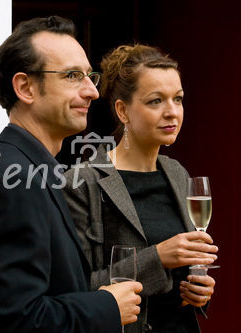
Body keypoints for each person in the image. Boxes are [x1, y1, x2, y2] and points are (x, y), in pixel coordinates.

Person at [0, 16, 143, 333]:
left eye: (91, 77)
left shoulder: (12, 165)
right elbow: (17, 321)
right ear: (25, 87)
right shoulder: (14, 179)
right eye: (73, 76)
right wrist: (107, 307)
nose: (92, 92)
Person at [63, 44, 218, 332]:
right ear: (122, 110)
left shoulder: (177, 174)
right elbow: (76, 289)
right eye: (156, 101)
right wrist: (157, 257)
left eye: (178, 99)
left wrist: (199, 290)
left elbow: (186, 273)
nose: (172, 112)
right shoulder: (83, 181)